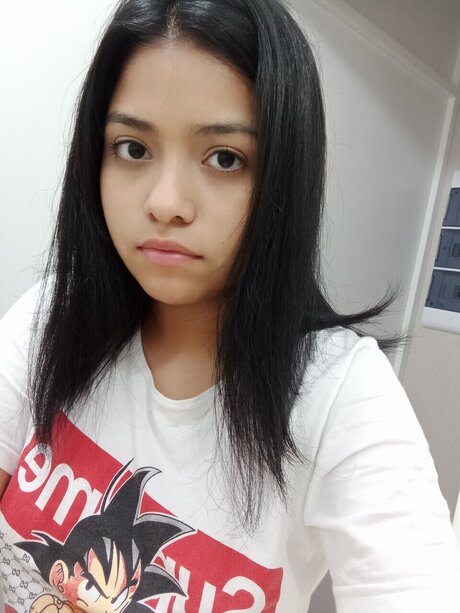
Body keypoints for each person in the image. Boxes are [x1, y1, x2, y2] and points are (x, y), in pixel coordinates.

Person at [0, 0, 459, 611]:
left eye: (225, 158)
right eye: (133, 148)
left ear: (283, 179)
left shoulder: (340, 398)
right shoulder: (54, 312)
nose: (166, 203)